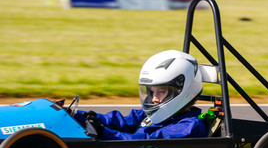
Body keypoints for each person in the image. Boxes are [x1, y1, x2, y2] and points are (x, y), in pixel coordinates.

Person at [74, 50, 208, 140]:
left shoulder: (189, 126)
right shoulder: (153, 114)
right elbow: (120, 121)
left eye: (161, 92)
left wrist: (103, 132)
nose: (155, 99)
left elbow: (145, 142)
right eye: (152, 92)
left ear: (182, 91)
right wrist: (78, 115)